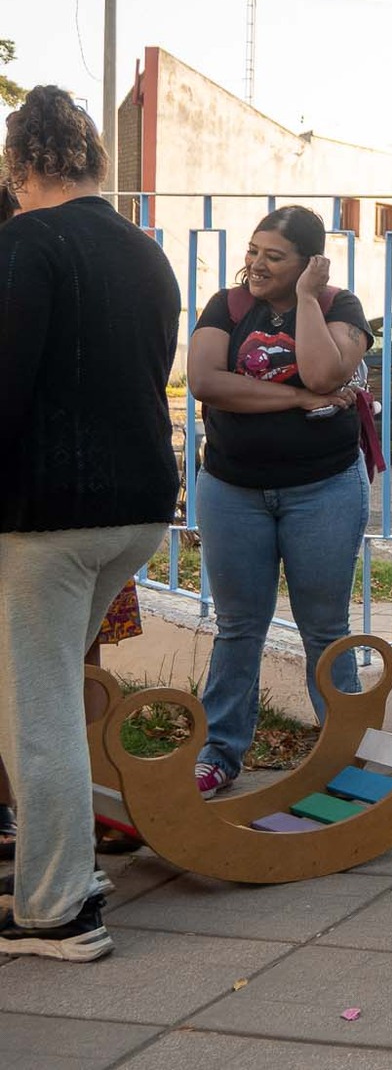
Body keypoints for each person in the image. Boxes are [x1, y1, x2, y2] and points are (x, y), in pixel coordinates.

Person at [0, 86, 179, 961]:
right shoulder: (147, 253)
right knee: (43, 695)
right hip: (138, 507)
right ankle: (63, 870)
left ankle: (59, 908)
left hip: (48, 513)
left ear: (20, 165)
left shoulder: (26, 242)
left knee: (36, 710)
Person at [189, 206, 374, 801]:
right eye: (253, 250)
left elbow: (323, 374)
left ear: (308, 263)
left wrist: (308, 300)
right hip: (232, 488)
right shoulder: (226, 306)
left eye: (274, 256)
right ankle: (219, 755)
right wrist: (293, 400)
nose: (257, 264)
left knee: (325, 626)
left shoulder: (340, 306)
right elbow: (206, 382)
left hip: (322, 488)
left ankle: (342, 761)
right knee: (239, 626)